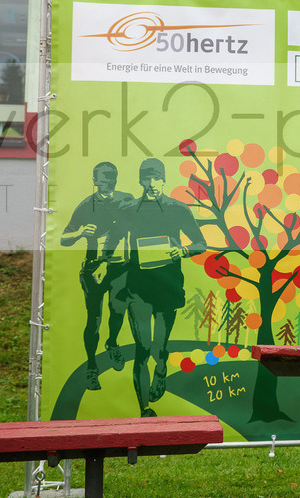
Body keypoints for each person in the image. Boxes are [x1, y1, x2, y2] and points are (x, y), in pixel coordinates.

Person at [103, 158, 206, 416]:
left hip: (167, 287)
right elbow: (111, 240)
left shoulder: (177, 209)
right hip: (137, 288)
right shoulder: (129, 210)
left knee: (159, 348)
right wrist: (108, 258)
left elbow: (200, 243)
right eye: (146, 179)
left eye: (156, 178)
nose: (151, 184)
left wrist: (181, 250)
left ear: (163, 179)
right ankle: (144, 409)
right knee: (143, 348)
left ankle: (161, 369)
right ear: (140, 181)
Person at [60, 162, 133, 390]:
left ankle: (112, 343)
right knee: (94, 320)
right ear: (94, 181)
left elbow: (134, 226)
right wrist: (80, 233)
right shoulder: (85, 206)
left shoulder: (126, 199)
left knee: (118, 310)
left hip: (119, 267)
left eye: (110, 178)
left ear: (116, 179)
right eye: (102, 179)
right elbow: (64, 238)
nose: (106, 182)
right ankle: (92, 367)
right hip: (93, 270)